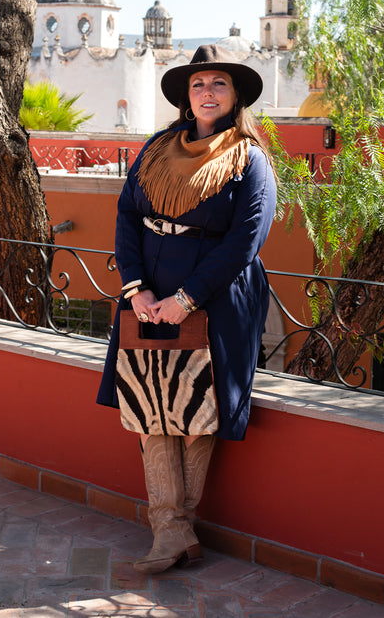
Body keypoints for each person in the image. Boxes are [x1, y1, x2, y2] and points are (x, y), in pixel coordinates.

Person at [97, 44, 277, 574]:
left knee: (198, 414)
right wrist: (138, 289)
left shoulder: (249, 159)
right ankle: (171, 530)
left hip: (215, 301)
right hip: (148, 298)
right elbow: (127, 215)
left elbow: (245, 241)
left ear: (236, 94)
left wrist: (186, 298)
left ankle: (175, 532)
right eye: (199, 84)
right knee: (151, 407)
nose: (207, 92)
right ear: (185, 95)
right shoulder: (155, 148)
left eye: (218, 83)